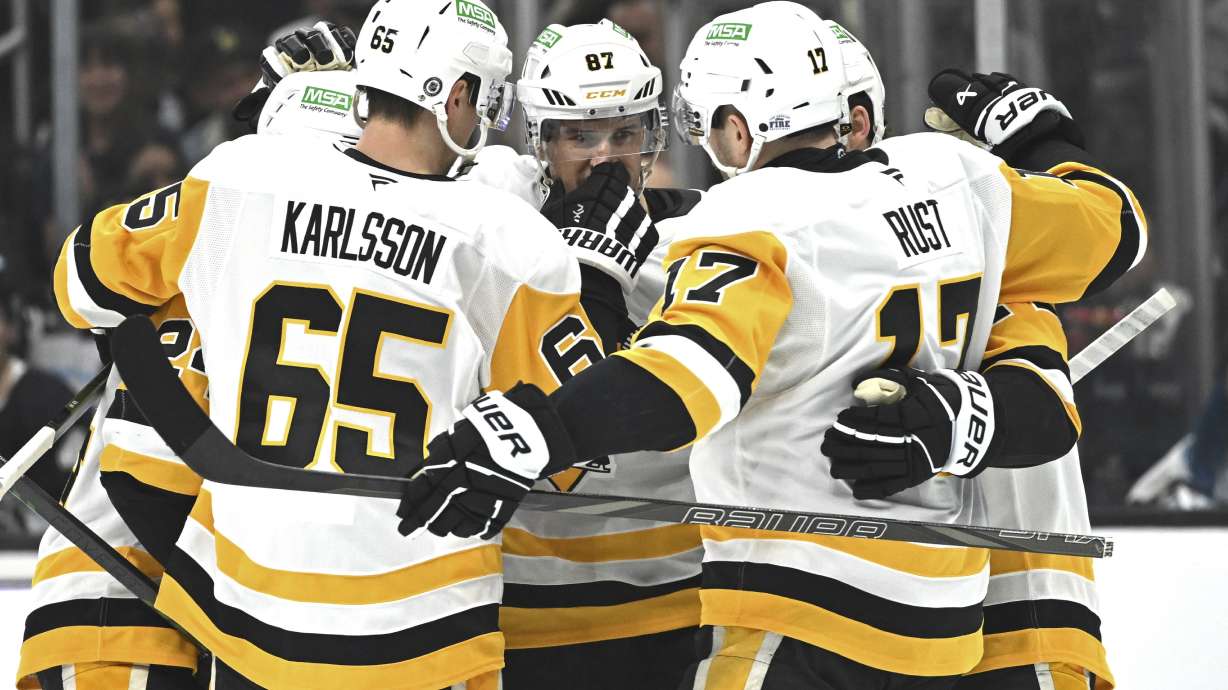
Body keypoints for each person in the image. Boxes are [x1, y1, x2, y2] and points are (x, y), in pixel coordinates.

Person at [398, 2, 1147, 687]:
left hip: (795, 608)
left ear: (737, 126)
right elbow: (1118, 234)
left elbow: (682, 379)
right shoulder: (961, 179)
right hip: (947, 617)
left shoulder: (740, 216)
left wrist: (537, 428)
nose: (603, 157)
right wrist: (1045, 147)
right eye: (578, 133)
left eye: (629, 130)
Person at [49, 0, 628, 686]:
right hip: (420, 628)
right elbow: (575, 450)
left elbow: (80, 282)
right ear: (459, 94)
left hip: (248, 619)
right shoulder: (505, 240)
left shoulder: (240, 181)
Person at [18, 67, 368, 690]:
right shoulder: (200, 281)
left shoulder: (312, 295)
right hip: (121, 613)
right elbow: (141, 483)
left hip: (176, 625)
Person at [833, 43, 1119, 688]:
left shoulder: (959, 232)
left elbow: (1043, 407)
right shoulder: (761, 245)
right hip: (863, 628)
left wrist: (950, 416)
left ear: (854, 124)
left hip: (1019, 625)